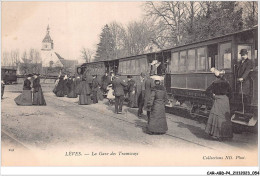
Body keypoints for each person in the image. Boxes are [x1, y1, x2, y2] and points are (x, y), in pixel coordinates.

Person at [205, 68, 233, 141]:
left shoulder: (214, 83)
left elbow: (207, 91)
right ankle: (226, 135)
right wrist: (227, 99)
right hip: (225, 101)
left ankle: (216, 134)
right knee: (225, 118)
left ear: (216, 76)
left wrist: (213, 96)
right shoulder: (227, 83)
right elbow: (231, 94)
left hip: (217, 100)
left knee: (217, 117)